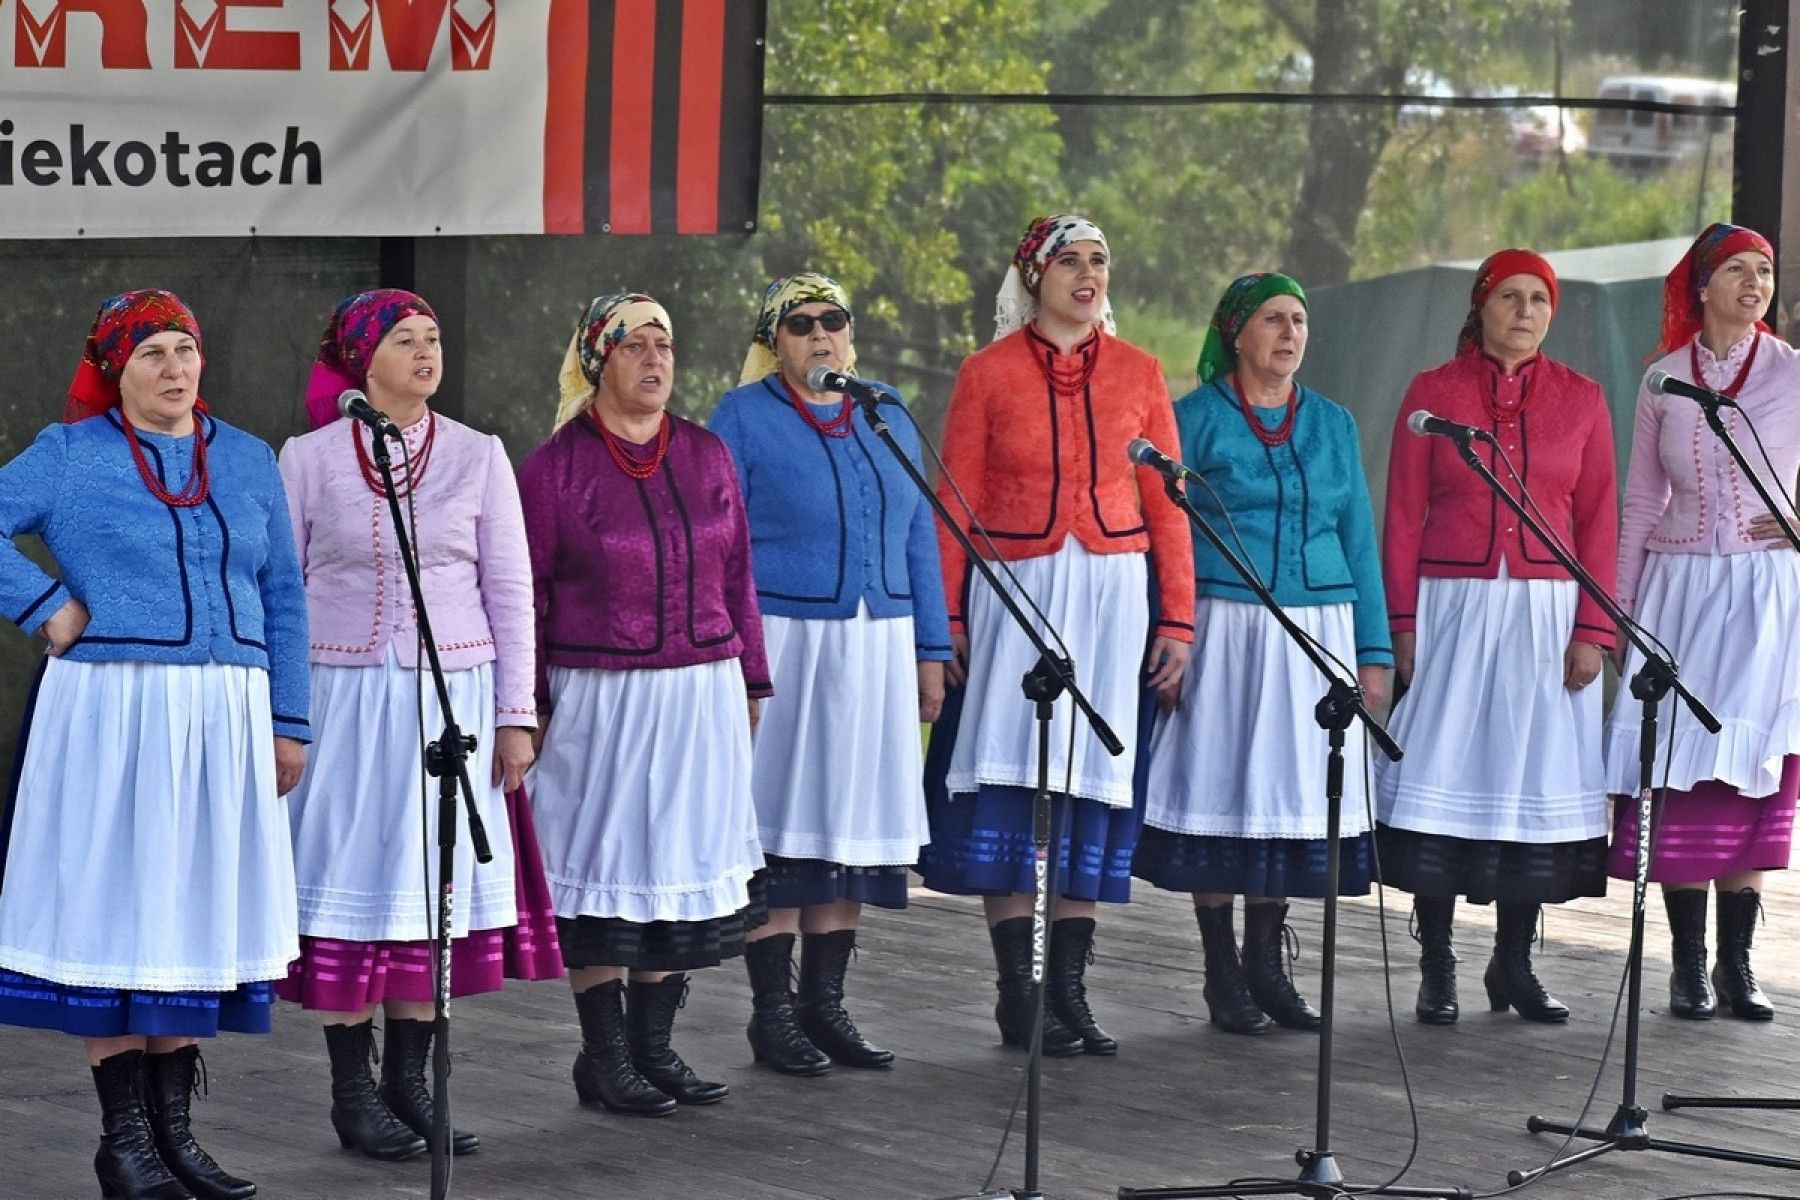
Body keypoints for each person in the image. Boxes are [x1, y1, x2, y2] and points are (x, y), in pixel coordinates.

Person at [0, 291, 309, 1200]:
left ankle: (175, 1138)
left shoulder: (247, 460)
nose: (175, 369)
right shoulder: (70, 454)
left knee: (190, 908)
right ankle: (123, 1141)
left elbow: (285, 595)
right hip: (113, 711)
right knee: (122, 907)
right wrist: (46, 605)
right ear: (114, 370)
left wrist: (288, 721)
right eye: (152, 355)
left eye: (186, 349)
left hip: (224, 715)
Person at [276, 289, 559, 1162]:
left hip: (452, 696)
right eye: (404, 339)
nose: (426, 352)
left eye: (434, 337)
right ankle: (352, 1090)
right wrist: (282, 710)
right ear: (364, 359)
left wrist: (516, 715)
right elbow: (280, 592)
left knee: (425, 882)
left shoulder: (478, 455)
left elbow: (510, 588)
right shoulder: (310, 457)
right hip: (344, 697)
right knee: (354, 874)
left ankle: (410, 1082)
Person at [922, 215, 1194, 1057]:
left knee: (1090, 782)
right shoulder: (987, 373)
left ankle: (1069, 991)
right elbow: (954, 503)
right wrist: (950, 618)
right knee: (1018, 772)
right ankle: (1020, 990)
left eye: (1099, 261)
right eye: (1069, 261)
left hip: (1115, 595)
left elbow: (1170, 504)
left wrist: (1178, 618)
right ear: (1033, 275)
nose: (1087, 274)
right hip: (1018, 590)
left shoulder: (1141, 371)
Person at [519, 293, 769, 1114]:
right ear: (598, 360)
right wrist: (529, 701)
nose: (655, 359)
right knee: (606, 869)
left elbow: (738, 578)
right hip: (601, 695)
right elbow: (528, 595)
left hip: (700, 686)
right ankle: (604, 1055)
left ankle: (654, 1049)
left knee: (675, 862)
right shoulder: (555, 468)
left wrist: (752, 679)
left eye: (664, 343)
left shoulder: (704, 453)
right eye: (634, 346)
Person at [1136, 273, 1391, 1036]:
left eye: (1299, 320)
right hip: (1224, 623)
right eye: (1274, 319)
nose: (1289, 333)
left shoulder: (1334, 424)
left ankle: (1266, 965)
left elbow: (1358, 537)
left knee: (1286, 792)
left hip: (1318, 626)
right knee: (1224, 785)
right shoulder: (1193, 420)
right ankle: (1222, 973)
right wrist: (1172, 630)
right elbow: (1165, 537)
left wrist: (1372, 650)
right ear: (1236, 333)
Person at [711, 272, 951, 1074]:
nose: (820, 336)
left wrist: (932, 647)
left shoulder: (885, 409)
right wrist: (740, 655)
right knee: (784, 821)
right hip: (787, 637)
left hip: (878, 641)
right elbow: (727, 548)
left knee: (851, 822)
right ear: (773, 343)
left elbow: (919, 534)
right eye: (800, 325)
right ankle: (772, 1014)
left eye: (832, 321)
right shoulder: (743, 417)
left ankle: (826, 1007)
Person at [1375, 250, 1617, 1026]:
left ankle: (1512, 964)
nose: (1524, 310)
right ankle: (1437, 962)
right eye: (1509, 296)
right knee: (1446, 770)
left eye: (1539, 299)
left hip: (1547, 614)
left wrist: (1592, 630)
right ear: (1481, 306)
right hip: (1453, 607)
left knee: (1529, 781)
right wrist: (1402, 625)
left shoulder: (1582, 399)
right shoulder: (1432, 394)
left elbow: (1600, 520)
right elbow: (1401, 516)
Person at [1605, 222, 1800, 1022]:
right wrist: (1617, 613)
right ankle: (1688, 968)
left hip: (1764, 592)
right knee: (1683, 763)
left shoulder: (1793, 374)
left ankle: (1737, 965)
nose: (1755, 285)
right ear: (1702, 286)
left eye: (1765, 272)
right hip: (1680, 586)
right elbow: (1643, 497)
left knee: (1747, 761)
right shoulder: (1661, 380)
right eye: (1738, 271)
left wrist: (1796, 523)